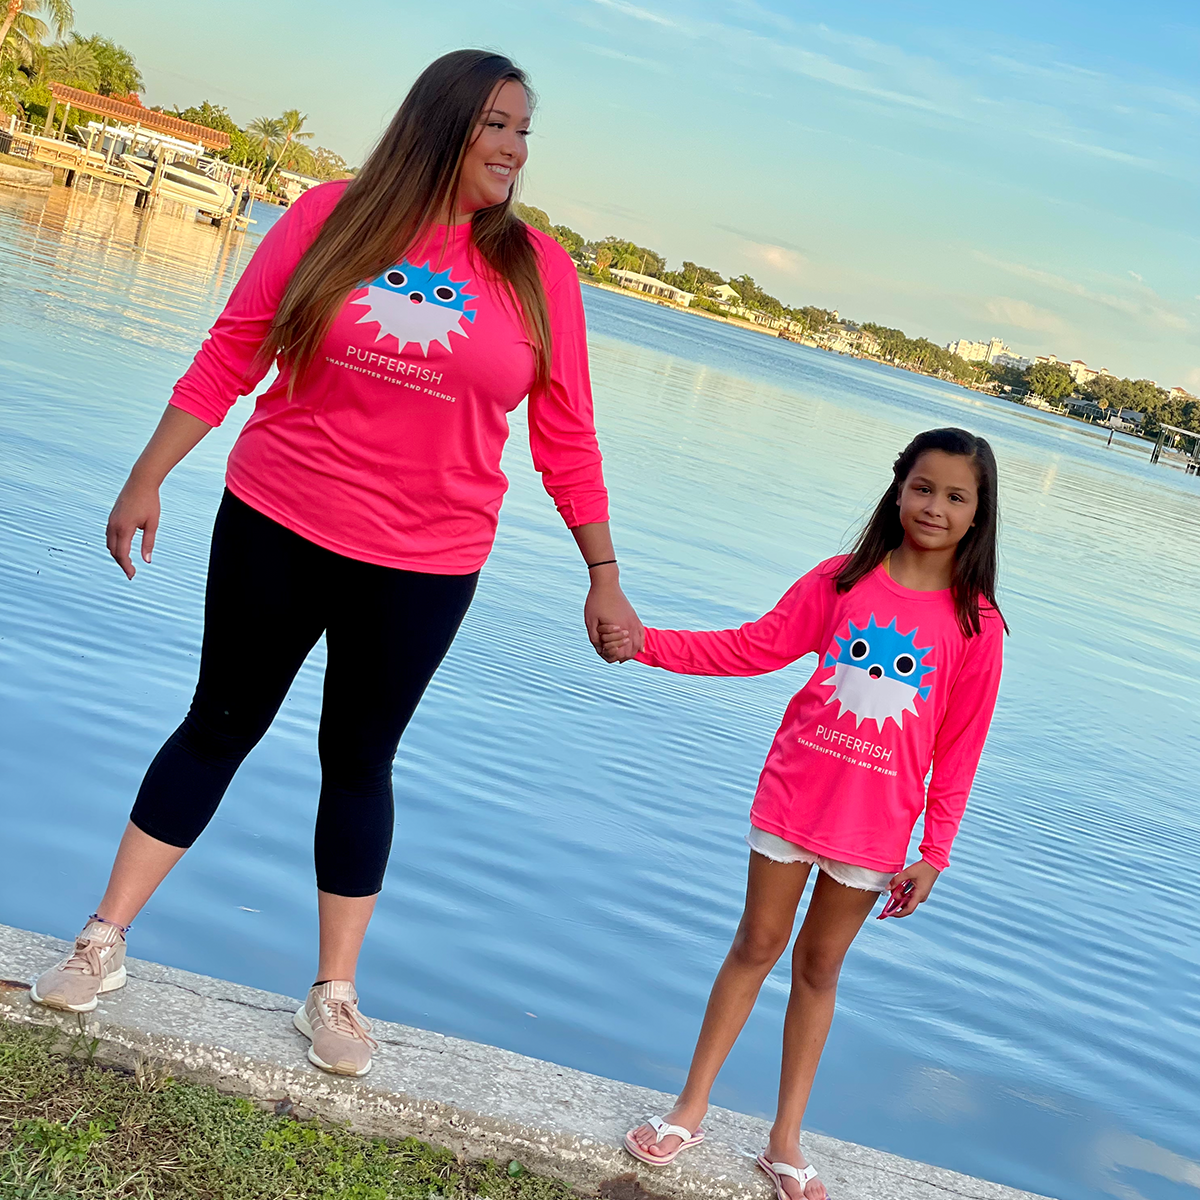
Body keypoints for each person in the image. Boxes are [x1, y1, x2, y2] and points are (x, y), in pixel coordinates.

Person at [30, 50, 643, 1079]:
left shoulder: (540, 272)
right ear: (443, 123)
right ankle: (103, 938)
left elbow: (567, 434)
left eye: (525, 130)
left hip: (426, 560)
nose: (515, 149)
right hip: (278, 517)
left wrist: (602, 570)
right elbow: (236, 351)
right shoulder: (329, 217)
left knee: (359, 760)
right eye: (497, 125)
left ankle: (337, 995)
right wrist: (148, 476)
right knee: (220, 720)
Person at [614, 428, 1007, 1200]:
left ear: (976, 514)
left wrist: (937, 849)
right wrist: (645, 643)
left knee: (820, 968)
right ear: (899, 490)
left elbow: (960, 751)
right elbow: (752, 647)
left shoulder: (977, 627)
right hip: (793, 799)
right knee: (755, 944)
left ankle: (784, 1139)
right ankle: (688, 1110)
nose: (934, 506)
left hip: (876, 827)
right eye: (923, 487)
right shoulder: (841, 580)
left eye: (955, 496)